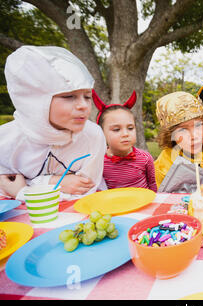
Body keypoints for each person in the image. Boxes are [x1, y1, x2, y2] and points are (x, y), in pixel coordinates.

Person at [0, 46, 106, 201]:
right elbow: (4, 192)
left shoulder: (93, 136)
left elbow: (82, 190)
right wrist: (56, 183)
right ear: (35, 100)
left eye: (87, 96)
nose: (83, 105)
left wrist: (25, 190)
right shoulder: (5, 141)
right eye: (69, 96)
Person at [154, 91, 203, 193]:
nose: (193, 136)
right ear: (170, 135)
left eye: (197, 125)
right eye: (183, 130)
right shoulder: (163, 166)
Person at [94, 90, 157, 192]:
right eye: (116, 129)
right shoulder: (98, 161)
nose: (125, 134)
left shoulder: (145, 158)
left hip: (143, 204)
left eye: (130, 128)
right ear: (101, 133)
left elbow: (152, 183)